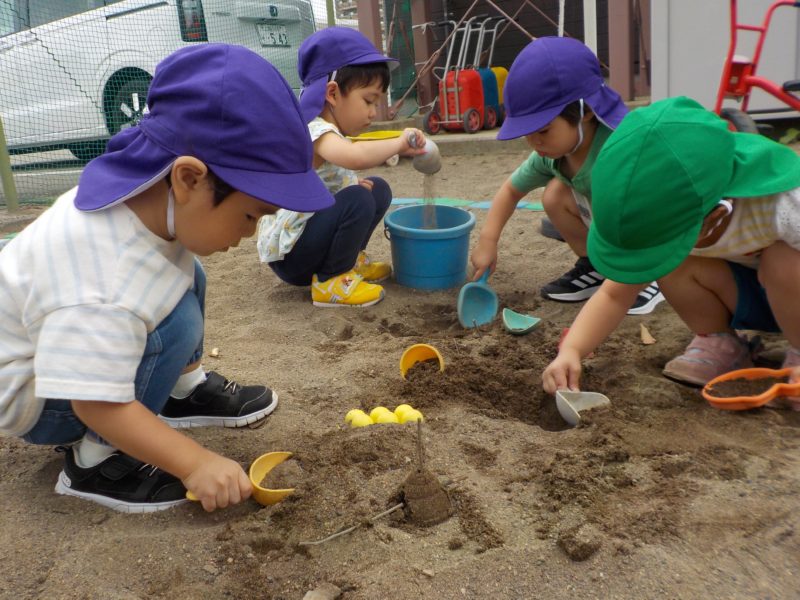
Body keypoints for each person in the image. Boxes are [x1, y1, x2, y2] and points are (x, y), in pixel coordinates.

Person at [0, 44, 334, 513]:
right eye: (251, 215)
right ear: (189, 178)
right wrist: (194, 462)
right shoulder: (106, 281)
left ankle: (180, 392)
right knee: (173, 322)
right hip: (43, 400)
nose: (249, 233)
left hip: (65, 353)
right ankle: (96, 462)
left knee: (186, 273)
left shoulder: (148, 196)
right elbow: (95, 404)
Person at [542, 96, 800, 410]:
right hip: (754, 297)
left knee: (782, 261)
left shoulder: (784, 202)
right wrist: (571, 350)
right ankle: (719, 341)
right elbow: (614, 294)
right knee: (671, 263)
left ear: (714, 216)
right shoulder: (673, 208)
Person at [470, 36, 664, 315]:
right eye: (527, 134)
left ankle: (650, 274)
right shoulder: (552, 154)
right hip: (609, 228)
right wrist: (488, 241)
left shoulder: (621, 147)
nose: (535, 142)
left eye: (543, 130)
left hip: (655, 231)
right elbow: (511, 191)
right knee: (555, 195)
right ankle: (596, 268)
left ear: (585, 111)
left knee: (625, 205)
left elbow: (659, 206)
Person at [257, 26, 428, 307]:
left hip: (309, 239)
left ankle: (350, 262)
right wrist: (399, 143)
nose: (373, 112)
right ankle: (330, 281)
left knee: (377, 189)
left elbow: (332, 176)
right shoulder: (316, 130)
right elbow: (354, 156)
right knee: (358, 198)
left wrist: (351, 185)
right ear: (333, 93)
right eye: (368, 101)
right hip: (293, 255)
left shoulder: (332, 130)